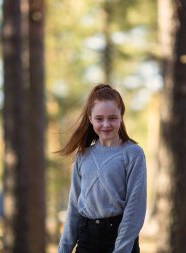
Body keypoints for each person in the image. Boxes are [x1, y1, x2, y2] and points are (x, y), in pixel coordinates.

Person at [57, 84, 147, 253]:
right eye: (99, 118)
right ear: (90, 118)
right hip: (86, 240)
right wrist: (64, 249)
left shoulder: (133, 154)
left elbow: (135, 209)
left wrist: (121, 250)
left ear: (121, 116)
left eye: (112, 118)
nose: (106, 124)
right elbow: (74, 207)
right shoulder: (83, 155)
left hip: (119, 239)